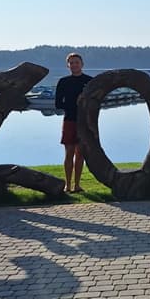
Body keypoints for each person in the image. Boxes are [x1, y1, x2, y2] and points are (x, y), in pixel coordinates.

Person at [55, 52, 92, 193]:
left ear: (82, 64)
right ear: (68, 65)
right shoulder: (63, 82)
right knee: (69, 153)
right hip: (70, 120)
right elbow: (58, 104)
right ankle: (67, 185)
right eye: (71, 63)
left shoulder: (89, 81)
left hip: (84, 122)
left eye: (76, 62)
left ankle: (77, 185)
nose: (74, 65)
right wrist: (74, 105)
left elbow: (96, 101)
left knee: (80, 153)